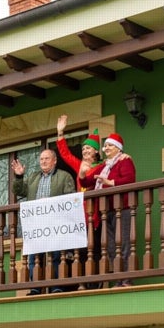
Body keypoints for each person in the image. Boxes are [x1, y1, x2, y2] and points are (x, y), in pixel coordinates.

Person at [12, 148, 75, 294]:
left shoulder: (64, 176)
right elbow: (18, 191)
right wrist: (19, 176)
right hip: (36, 224)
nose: (43, 161)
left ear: (54, 161)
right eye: (41, 159)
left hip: (56, 223)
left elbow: (70, 198)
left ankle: (57, 287)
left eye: (46, 158)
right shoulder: (33, 177)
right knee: (35, 257)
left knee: (56, 256)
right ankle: (36, 288)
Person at [79, 133, 136, 287]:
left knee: (124, 244)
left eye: (110, 145)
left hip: (122, 209)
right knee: (111, 246)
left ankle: (127, 279)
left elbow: (130, 179)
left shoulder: (125, 161)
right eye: (105, 146)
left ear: (118, 148)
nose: (106, 148)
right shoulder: (105, 165)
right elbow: (87, 181)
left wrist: (110, 182)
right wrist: (83, 173)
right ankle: (119, 279)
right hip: (106, 211)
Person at [55, 114, 103, 287]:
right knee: (81, 250)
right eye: (83, 150)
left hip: (96, 213)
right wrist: (60, 132)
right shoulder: (79, 165)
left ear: (97, 152)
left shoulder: (102, 166)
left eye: (88, 149)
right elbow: (65, 154)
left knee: (96, 248)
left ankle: (95, 283)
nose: (85, 152)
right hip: (79, 215)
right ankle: (81, 282)